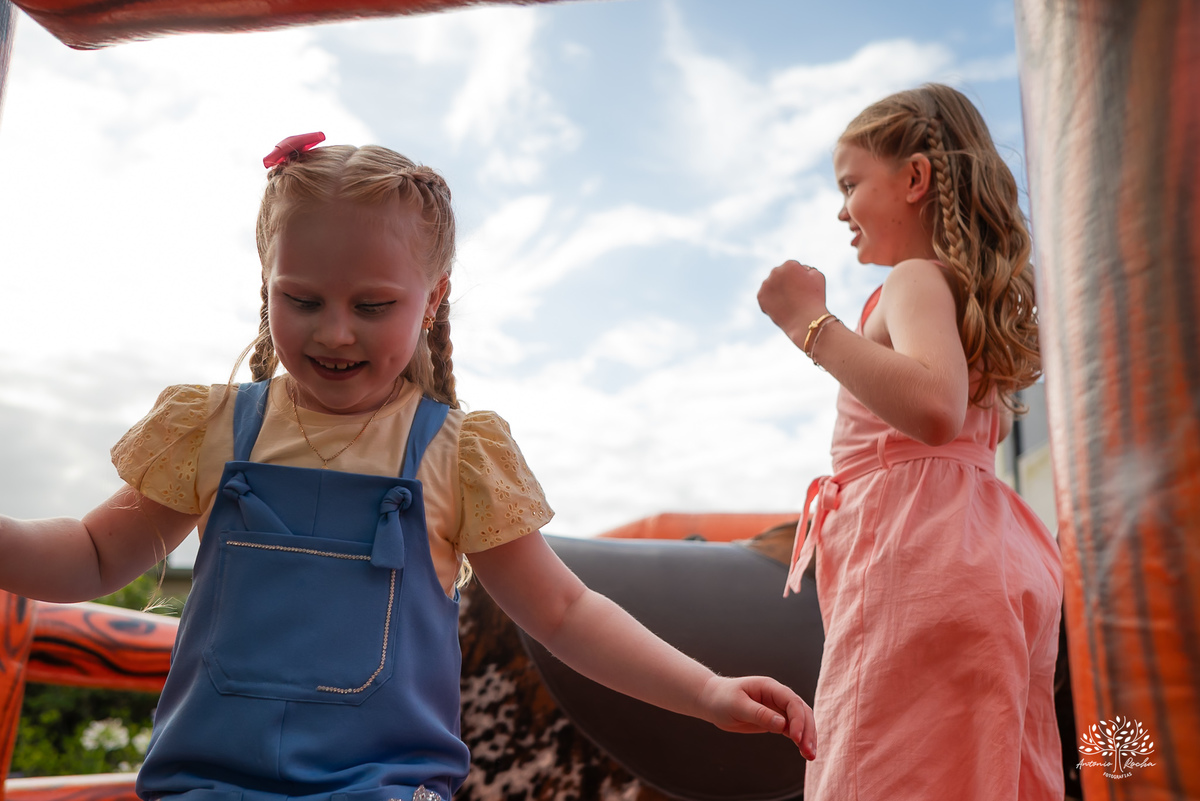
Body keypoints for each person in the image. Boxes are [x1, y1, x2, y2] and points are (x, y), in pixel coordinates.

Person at [0, 134, 815, 801]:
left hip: (383, 788)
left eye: (372, 304)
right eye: (303, 299)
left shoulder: (457, 454)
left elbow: (564, 611)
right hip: (207, 783)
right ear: (267, 285)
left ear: (432, 299)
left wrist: (705, 691)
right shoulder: (209, 426)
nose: (335, 332)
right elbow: (95, 552)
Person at [757, 85, 1063, 800]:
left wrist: (810, 324)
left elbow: (933, 406)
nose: (841, 209)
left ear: (915, 179)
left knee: (876, 769)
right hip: (982, 558)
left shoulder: (915, 279)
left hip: (915, 563)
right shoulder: (958, 294)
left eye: (851, 183)